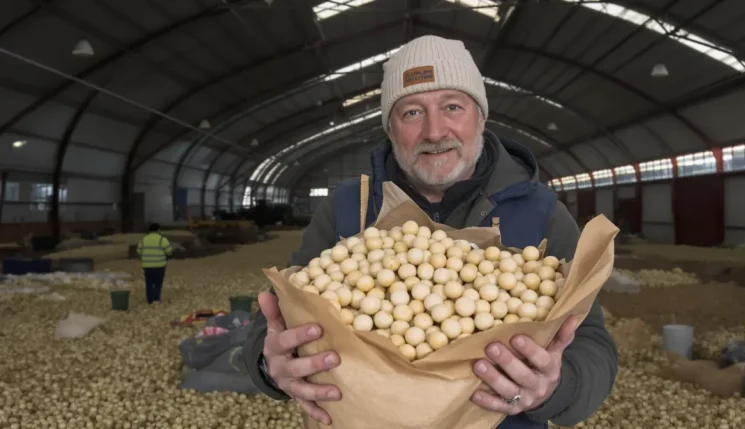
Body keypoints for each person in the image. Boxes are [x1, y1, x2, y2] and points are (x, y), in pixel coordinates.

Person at [244, 35, 618, 428]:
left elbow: (592, 343)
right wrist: (270, 366)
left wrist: (556, 387)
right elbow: (274, 319)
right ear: (391, 128)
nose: (435, 131)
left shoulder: (543, 213)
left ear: (481, 117)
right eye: (411, 113)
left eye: (452, 107)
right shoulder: (345, 207)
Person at [136, 223, 172, 304]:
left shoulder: (143, 239)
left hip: (147, 266)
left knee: (149, 283)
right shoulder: (162, 239)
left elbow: (138, 252)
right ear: (158, 230)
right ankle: (156, 300)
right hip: (159, 265)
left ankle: (150, 300)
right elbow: (169, 252)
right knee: (157, 283)